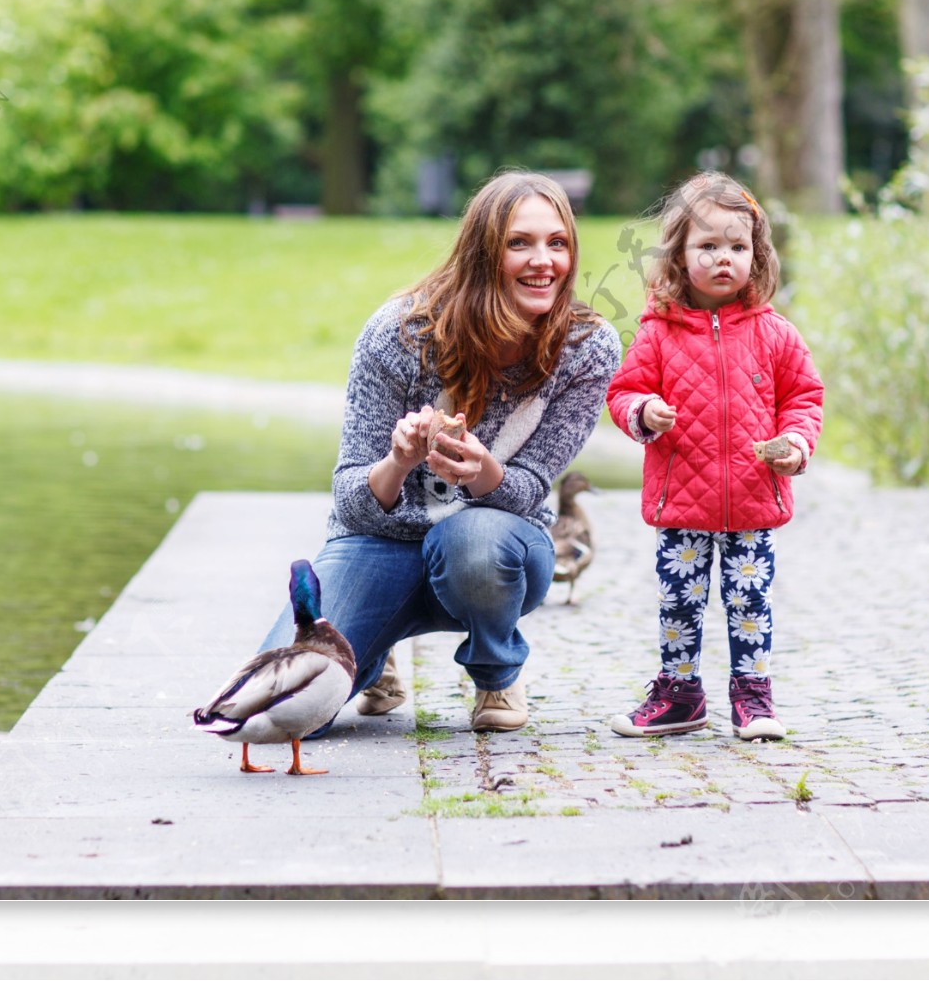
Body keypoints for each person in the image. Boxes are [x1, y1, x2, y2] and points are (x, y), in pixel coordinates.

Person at [258, 170, 622, 733]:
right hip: (380, 544)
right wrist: (398, 460)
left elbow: (528, 491)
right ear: (482, 252)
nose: (543, 260)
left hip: (492, 547)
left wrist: (483, 473)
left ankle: (496, 673)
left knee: (472, 537)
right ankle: (371, 656)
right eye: (519, 243)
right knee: (280, 713)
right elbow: (352, 502)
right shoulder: (399, 334)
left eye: (558, 243)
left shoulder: (585, 348)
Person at [605, 171, 823, 741]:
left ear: (758, 254)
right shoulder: (657, 333)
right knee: (679, 606)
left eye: (737, 246)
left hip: (752, 499)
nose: (724, 258)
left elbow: (804, 397)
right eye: (708, 246)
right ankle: (679, 694)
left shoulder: (775, 334)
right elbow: (623, 393)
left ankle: (753, 695)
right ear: (679, 254)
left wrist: (796, 444)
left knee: (750, 605)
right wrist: (644, 412)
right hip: (682, 500)